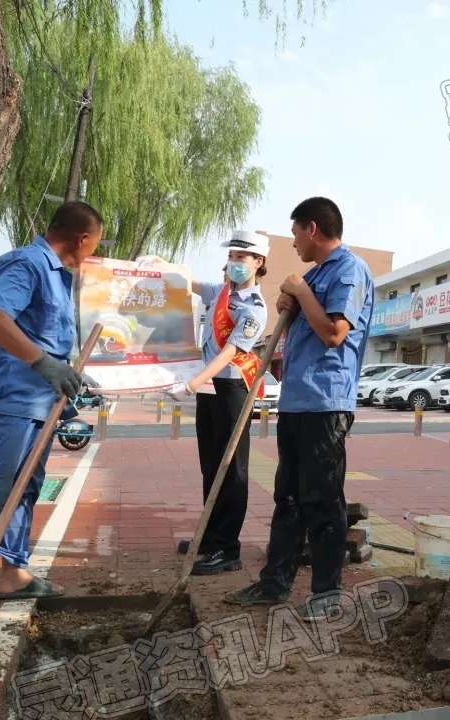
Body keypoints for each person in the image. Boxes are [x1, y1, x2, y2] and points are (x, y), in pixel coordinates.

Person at [0, 202, 103, 639]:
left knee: (25, 489)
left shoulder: (59, 277)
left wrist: (65, 373)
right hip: (8, 400)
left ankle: (14, 576)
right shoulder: (27, 263)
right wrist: (43, 363)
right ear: (83, 239)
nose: (94, 250)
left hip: (36, 403)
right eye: (96, 242)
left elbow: (46, 337)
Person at [227, 197, 374, 621]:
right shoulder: (317, 274)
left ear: (312, 228)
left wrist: (301, 292)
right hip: (296, 402)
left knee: (323, 499)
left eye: (294, 234)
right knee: (287, 497)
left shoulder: (348, 270)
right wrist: (289, 306)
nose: (293, 243)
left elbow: (334, 333)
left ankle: (327, 592)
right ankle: (275, 581)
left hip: (325, 404)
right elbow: (308, 325)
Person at [167, 231, 269, 575]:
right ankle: (210, 537)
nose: (235, 262)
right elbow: (190, 284)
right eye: (232, 255)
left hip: (232, 391)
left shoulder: (255, 308)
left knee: (232, 469)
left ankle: (228, 549)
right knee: (210, 465)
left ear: (259, 262)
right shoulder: (222, 292)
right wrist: (159, 268)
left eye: (243, 257)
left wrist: (192, 383)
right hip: (210, 389)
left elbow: (230, 353)